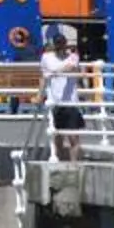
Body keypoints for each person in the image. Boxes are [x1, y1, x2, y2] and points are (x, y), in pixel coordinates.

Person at [41, 27, 87, 158]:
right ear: (54, 44)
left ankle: (74, 165)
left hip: (71, 102)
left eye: (62, 43)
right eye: (58, 43)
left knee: (73, 136)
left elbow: (71, 67)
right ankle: (60, 160)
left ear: (65, 44)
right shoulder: (46, 58)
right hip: (55, 102)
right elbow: (44, 76)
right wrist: (40, 95)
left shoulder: (73, 57)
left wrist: (55, 72)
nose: (60, 46)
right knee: (57, 136)